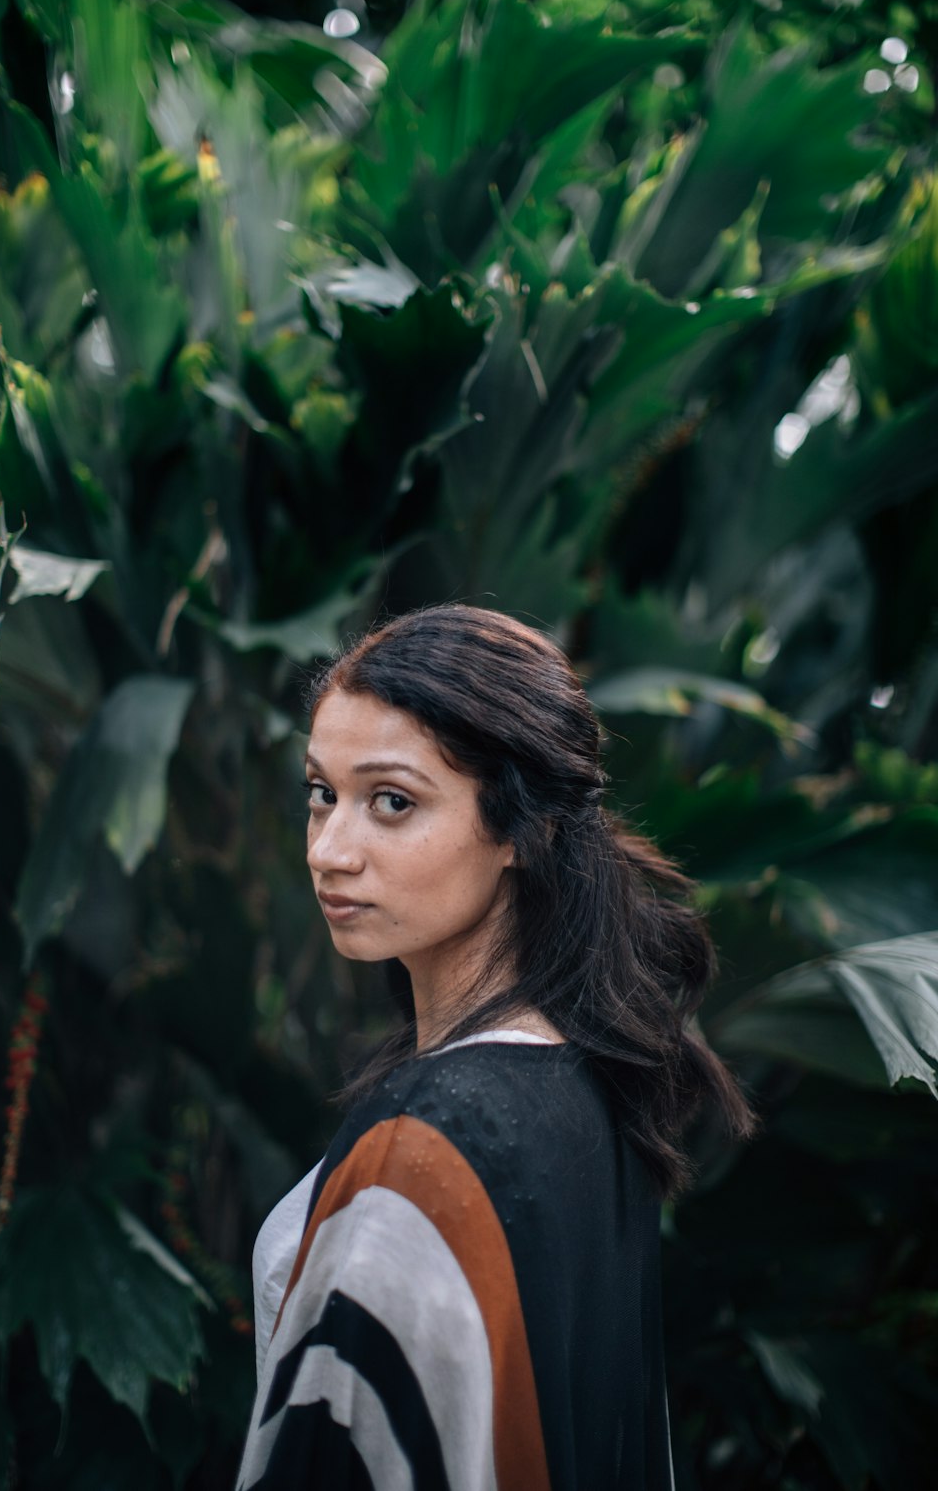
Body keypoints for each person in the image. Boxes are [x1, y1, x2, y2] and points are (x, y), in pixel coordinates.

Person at [237, 605, 752, 1491]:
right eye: (323, 792)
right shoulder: (588, 1090)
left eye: (391, 802)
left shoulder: (429, 1140)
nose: (329, 848)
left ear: (525, 828)